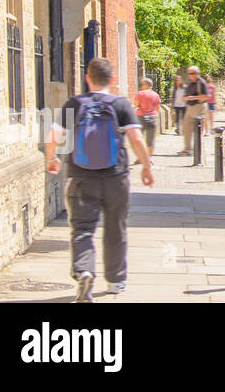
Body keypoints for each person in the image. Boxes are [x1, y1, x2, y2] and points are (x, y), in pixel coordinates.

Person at [46, 57, 154, 301]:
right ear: (113, 80)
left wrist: (51, 159)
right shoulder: (121, 105)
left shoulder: (75, 103)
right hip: (116, 178)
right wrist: (147, 167)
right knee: (116, 227)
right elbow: (136, 139)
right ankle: (115, 282)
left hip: (82, 178)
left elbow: (53, 136)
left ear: (88, 78)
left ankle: (84, 270)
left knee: (82, 229)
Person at [180, 66, 210, 155]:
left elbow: (207, 96)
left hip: (199, 107)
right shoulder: (190, 83)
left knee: (198, 130)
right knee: (186, 128)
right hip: (189, 108)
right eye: (189, 73)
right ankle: (187, 149)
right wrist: (184, 98)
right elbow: (186, 95)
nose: (190, 75)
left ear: (197, 74)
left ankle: (198, 151)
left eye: (192, 73)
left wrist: (193, 98)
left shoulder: (201, 83)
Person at [134, 78, 161, 155]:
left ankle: (140, 157)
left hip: (140, 117)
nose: (141, 86)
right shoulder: (156, 95)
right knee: (151, 140)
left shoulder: (140, 93)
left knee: (139, 138)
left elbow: (136, 105)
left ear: (146, 85)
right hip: (152, 117)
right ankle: (148, 158)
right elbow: (157, 108)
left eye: (142, 84)